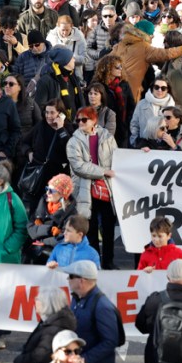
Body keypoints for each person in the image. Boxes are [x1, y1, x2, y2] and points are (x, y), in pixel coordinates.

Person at [66, 106, 118, 269]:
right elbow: (79, 166)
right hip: (85, 190)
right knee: (90, 228)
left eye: (84, 119)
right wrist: (104, 172)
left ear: (94, 120)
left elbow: (117, 158)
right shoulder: (73, 141)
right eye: (78, 120)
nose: (80, 122)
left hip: (107, 190)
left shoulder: (107, 137)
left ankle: (108, 262)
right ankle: (93, 263)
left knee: (109, 229)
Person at [12, 287, 77, 363]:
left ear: (47, 304)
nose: (35, 301)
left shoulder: (52, 327)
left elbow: (39, 357)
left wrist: (19, 362)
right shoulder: (50, 322)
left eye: (38, 299)